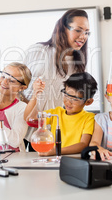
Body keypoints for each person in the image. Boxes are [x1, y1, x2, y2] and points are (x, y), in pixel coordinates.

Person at [23, 9, 91, 151]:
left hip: (56, 132)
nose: (83, 36)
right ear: (63, 29)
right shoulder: (37, 51)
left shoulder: (78, 65)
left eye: (86, 32)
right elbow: (19, 85)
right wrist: (28, 109)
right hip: (26, 129)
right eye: (78, 30)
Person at [24, 72, 97, 156]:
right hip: (55, 159)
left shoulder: (89, 118)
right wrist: (35, 94)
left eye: (75, 99)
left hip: (75, 160)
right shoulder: (56, 113)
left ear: (88, 102)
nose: (68, 102)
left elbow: (83, 145)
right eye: (66, 95)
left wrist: (57, 151)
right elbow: (29, 117)